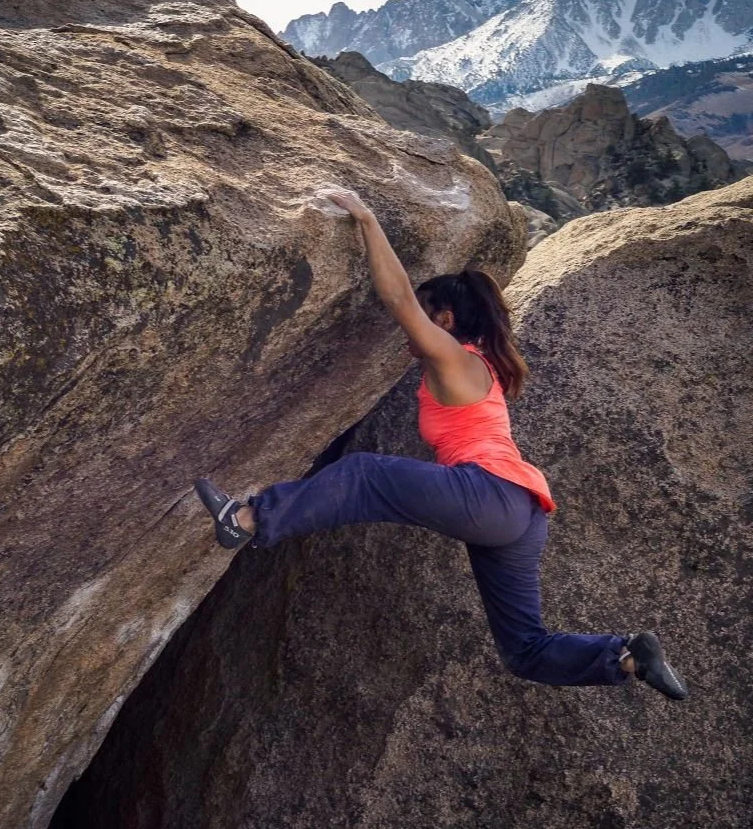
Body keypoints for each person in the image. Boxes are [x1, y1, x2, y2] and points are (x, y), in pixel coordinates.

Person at [195, 190, 688, 699]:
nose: (412, 327)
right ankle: (626, 656)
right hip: (522, 513)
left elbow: (399, 299)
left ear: (446, 320)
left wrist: (367, 219)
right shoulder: (482, 366)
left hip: (490, 493)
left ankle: (245, 520)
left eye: (427, 314)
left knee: (364, 473)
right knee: (524, 649)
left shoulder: (455, 358)